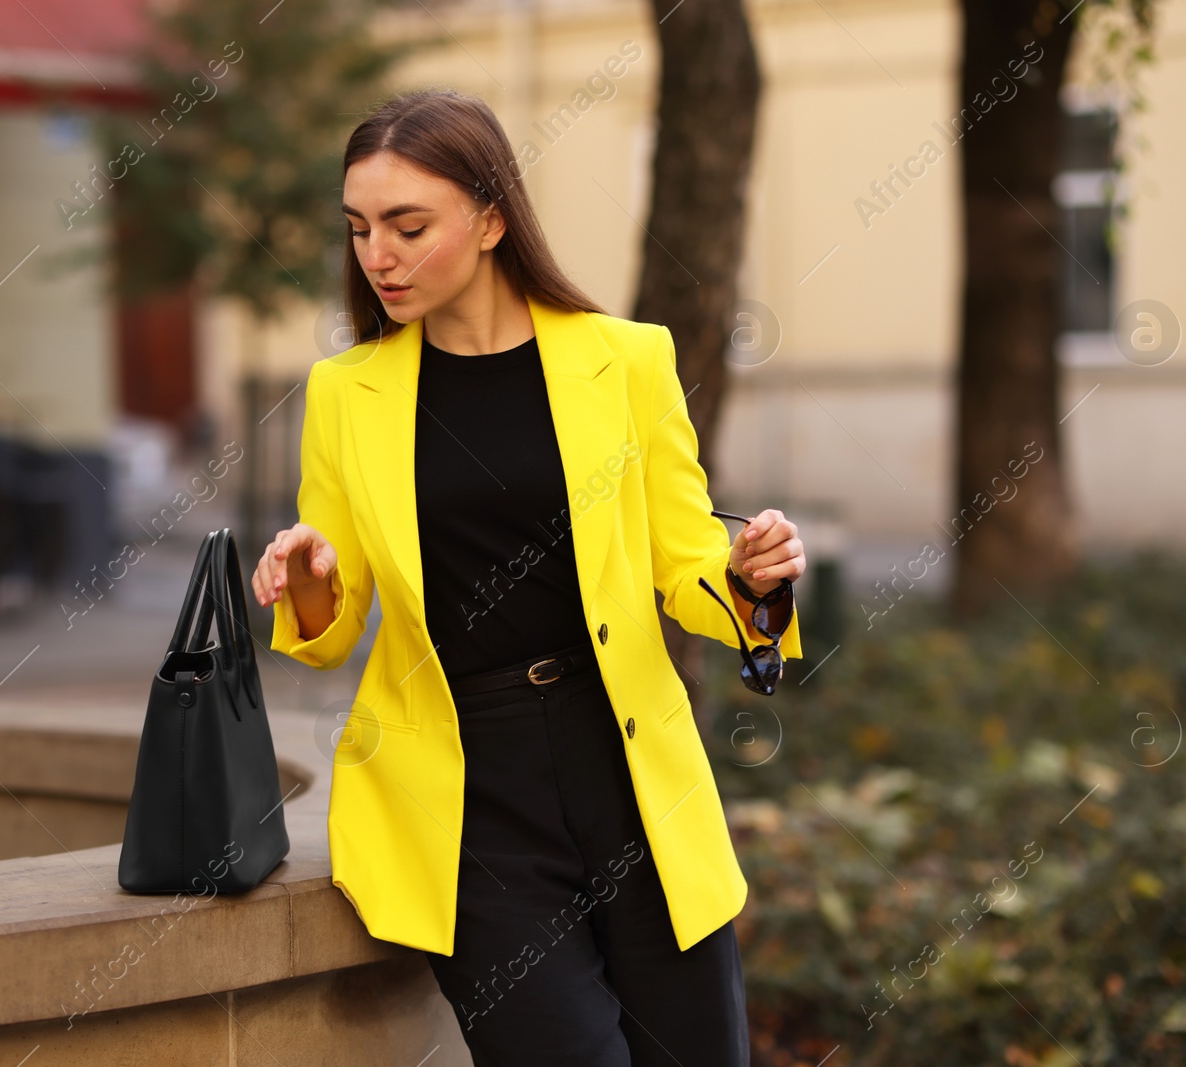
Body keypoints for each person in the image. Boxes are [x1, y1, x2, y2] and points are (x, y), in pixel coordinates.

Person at [251, 86, 806, 1066]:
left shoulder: (626, 360)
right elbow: (331, 628)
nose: (375, 253)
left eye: (406, 224)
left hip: (628, 767)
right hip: (468, 799)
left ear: (492, 215)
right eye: (359, 227)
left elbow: (684, 568)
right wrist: (308, 574)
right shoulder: (348, 394)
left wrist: (753, 580)